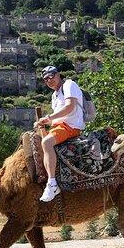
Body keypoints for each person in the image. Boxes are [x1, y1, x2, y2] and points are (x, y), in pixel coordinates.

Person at [35, 66, 85, 202]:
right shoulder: (54, 95)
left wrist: (49, 118)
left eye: (51, 76)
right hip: (59, 127)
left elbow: (70, 107)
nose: (49, 80)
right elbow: (57, 118)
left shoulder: (69, 85)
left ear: (58, 75)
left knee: (46, 143)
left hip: (70, 127)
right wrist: (43, 123)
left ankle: (52, 184)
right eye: (45, 79)